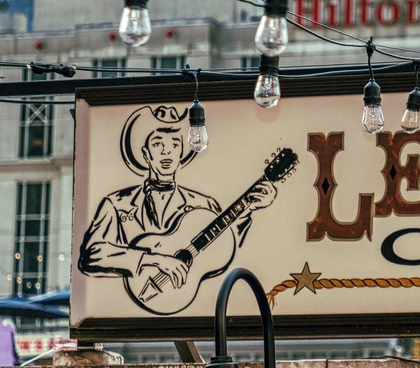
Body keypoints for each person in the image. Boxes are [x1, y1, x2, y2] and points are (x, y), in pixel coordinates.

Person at [78, 105, 275, 309]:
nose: (166, 152)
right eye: (157, 144)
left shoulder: (202, 204)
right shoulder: (117, 203)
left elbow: (222, 246)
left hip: (189, 302)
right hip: (118, 307)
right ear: (146, 154)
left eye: (174, 144)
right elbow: (91, 256)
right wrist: (154, 260)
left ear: (181, 153)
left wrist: (248, 209)